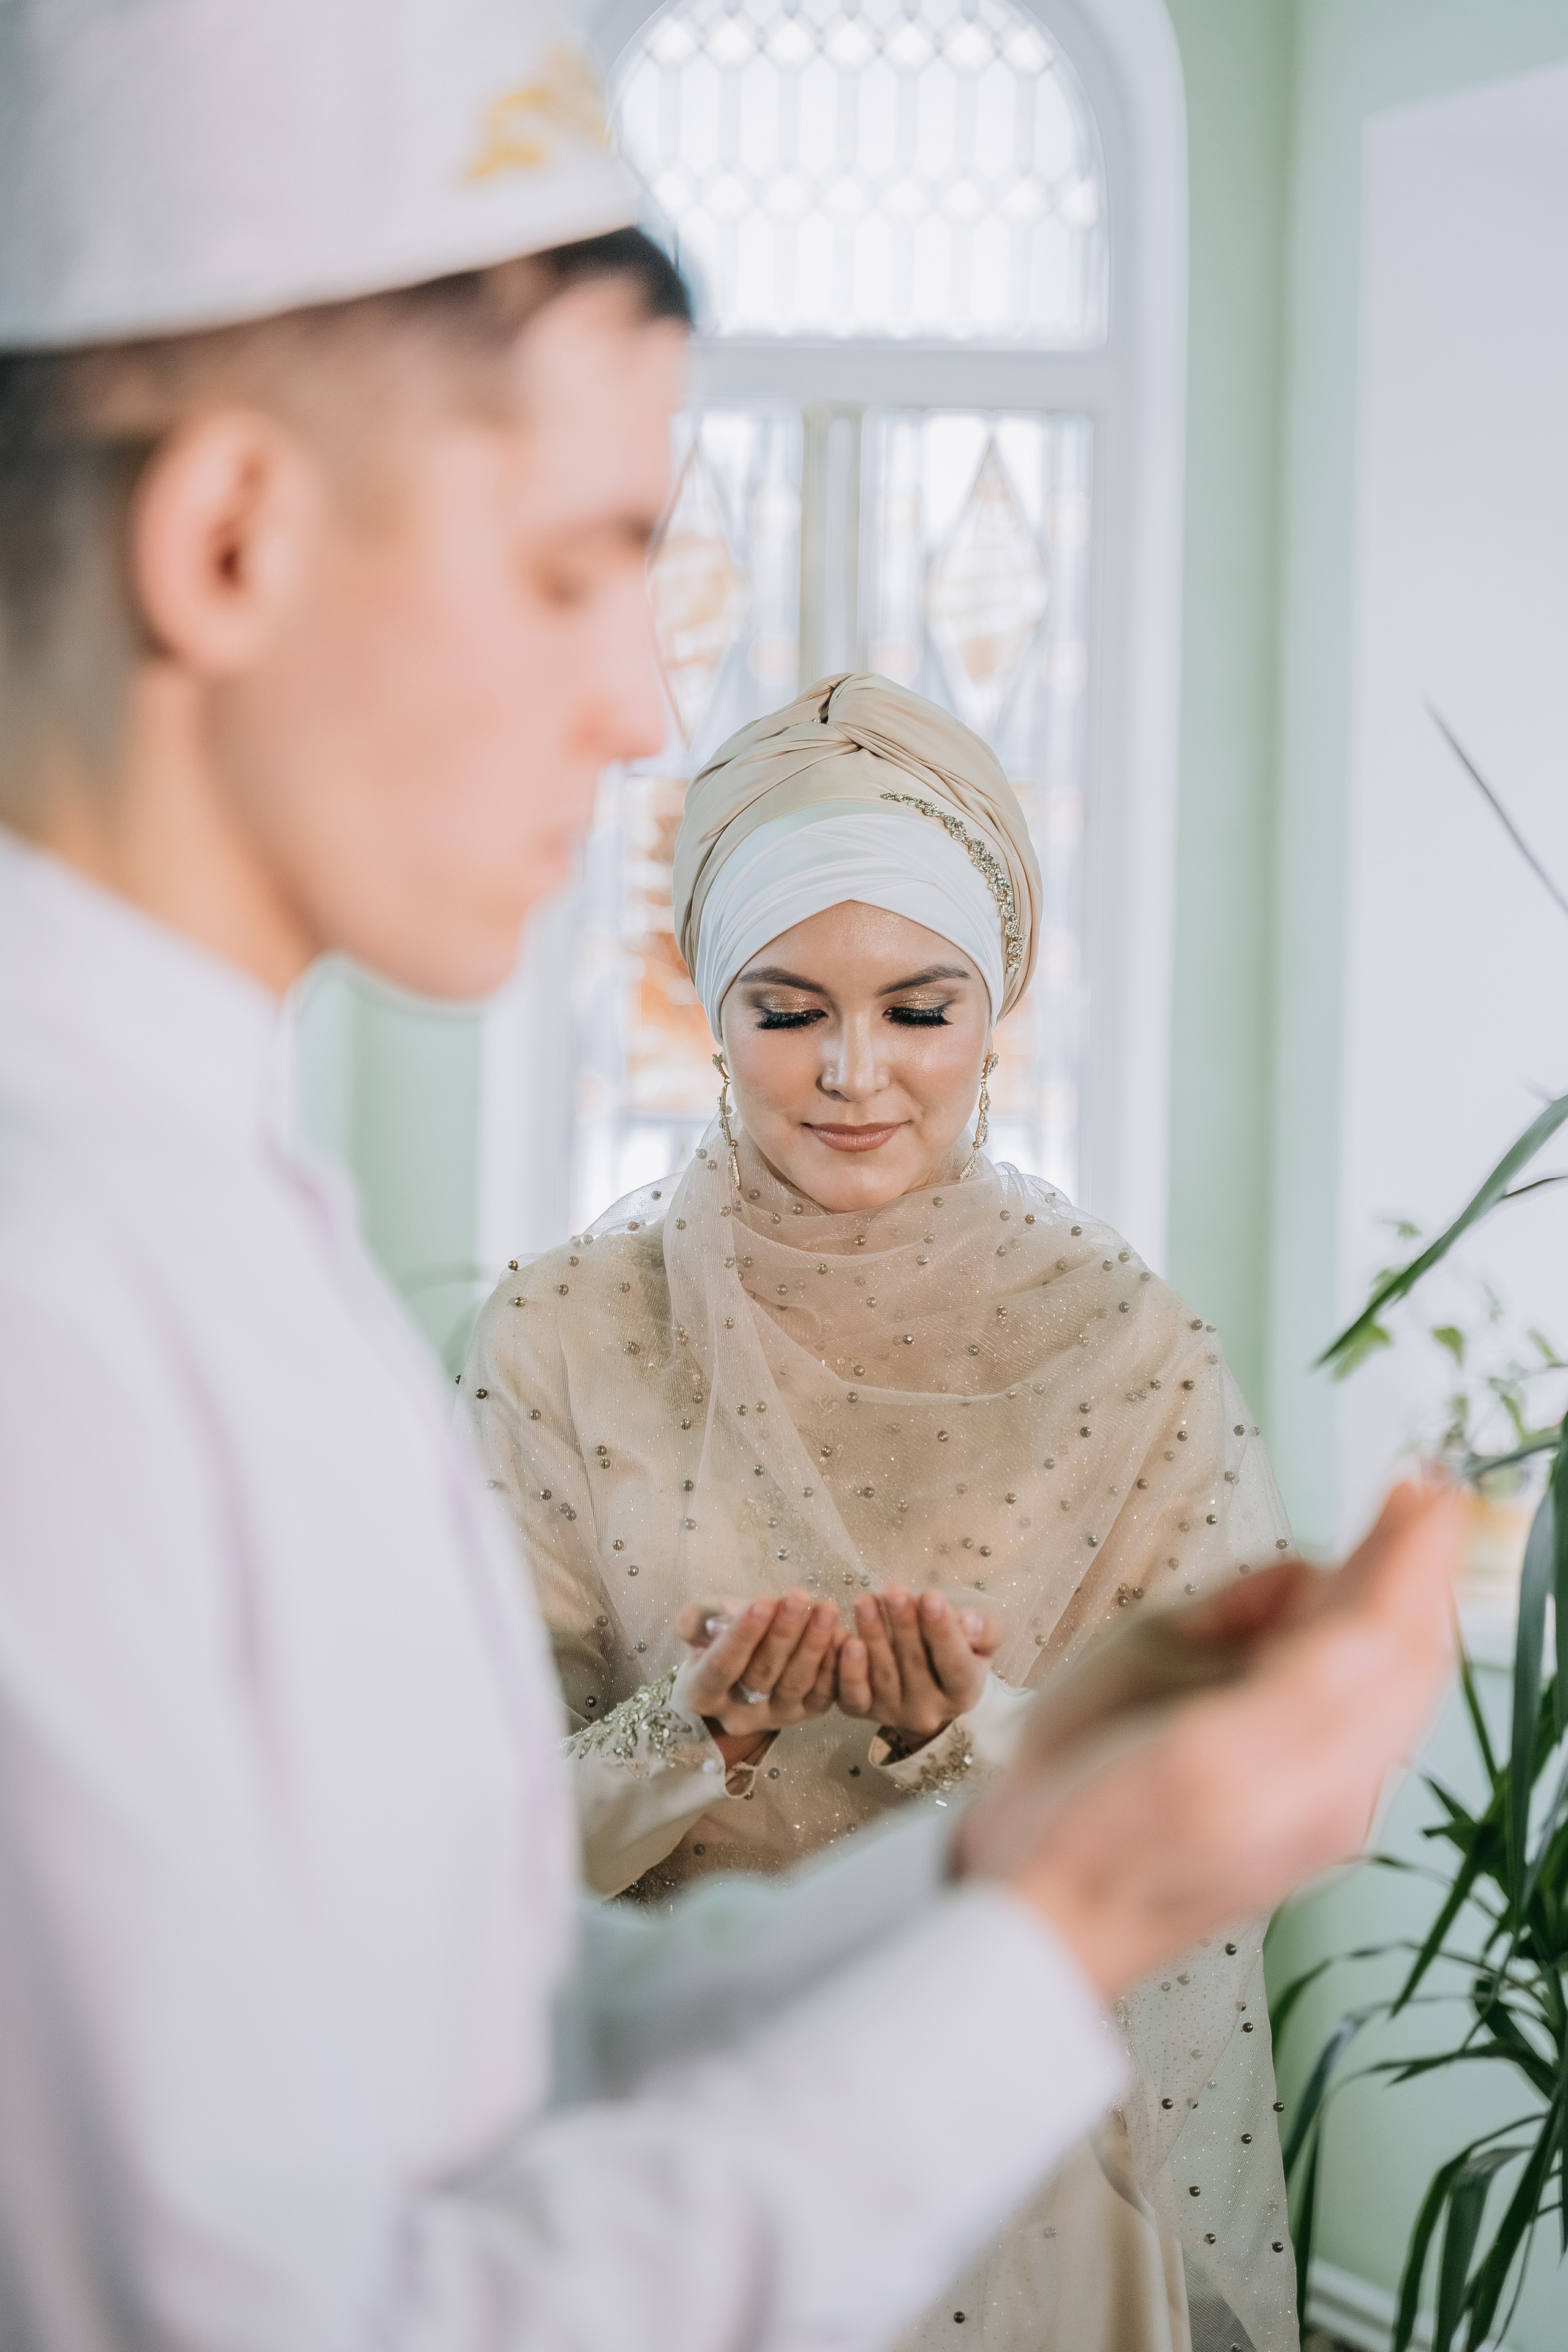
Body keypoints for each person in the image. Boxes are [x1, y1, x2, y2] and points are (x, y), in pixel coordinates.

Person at [0, 3, 1464, 2349]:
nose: (633, 713)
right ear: (233, 537)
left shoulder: (214, 1208)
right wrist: (1060, 1935)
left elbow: (482, 2047)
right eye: (585, 565)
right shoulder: (58, 1295)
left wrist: (1029, 1846)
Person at [464, 674, 1295, 2352]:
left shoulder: (1131, 1351)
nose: (855, 1075)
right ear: (707, 1007)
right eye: (789, 1011)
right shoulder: (560, 1335)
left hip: (1016, 2172)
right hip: (658, 2178)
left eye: (919, 1011)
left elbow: (1223, 1814)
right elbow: (447, 1838)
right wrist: (695, 1733)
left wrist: (976, 1730)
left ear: (998, 1013)